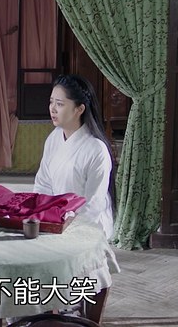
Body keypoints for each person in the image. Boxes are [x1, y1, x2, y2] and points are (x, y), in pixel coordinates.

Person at [33, 74, 114, 239]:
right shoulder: (54, 138)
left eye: (60, 104)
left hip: (89, 222)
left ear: (79, 109)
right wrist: (42, 213)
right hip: (57, 218)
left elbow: (94, 203)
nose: (53, 109)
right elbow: (43, 184)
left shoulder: (96, 149)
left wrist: (70, 223)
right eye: (51, 102)